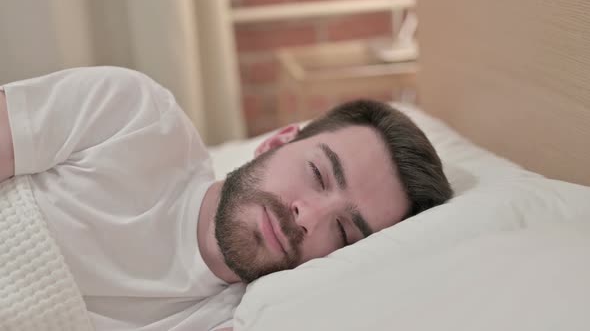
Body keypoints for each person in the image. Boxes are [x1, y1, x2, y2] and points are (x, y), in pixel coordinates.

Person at [0, 67, 452, 330]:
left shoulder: (233, 320)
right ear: (276, 140)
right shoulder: (133, 117)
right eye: (317, 173)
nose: (308, 217)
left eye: (344, 231)